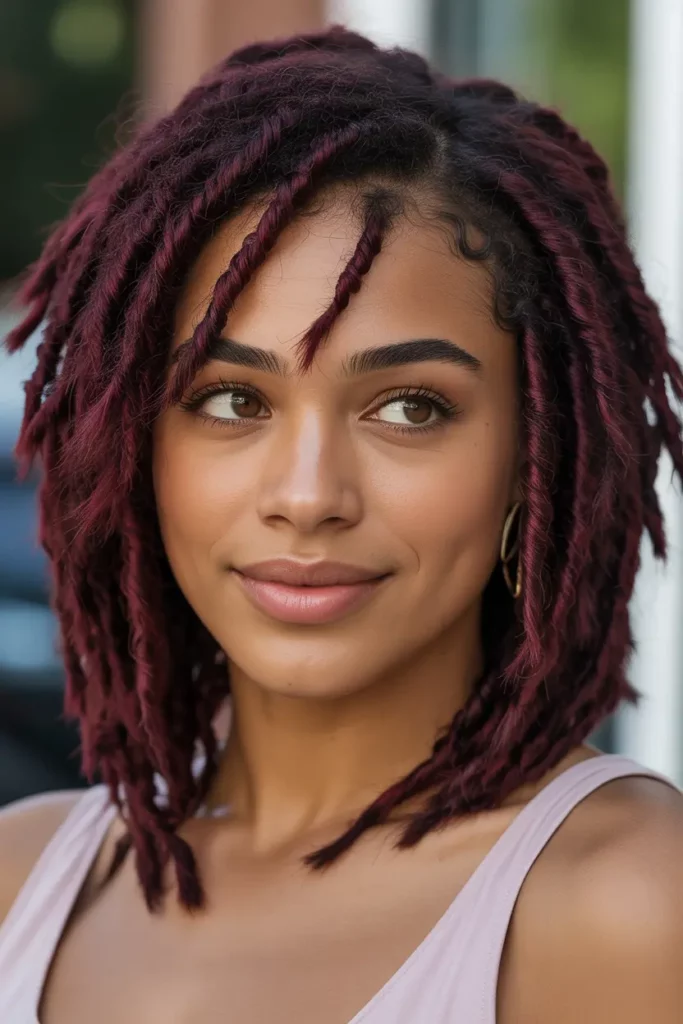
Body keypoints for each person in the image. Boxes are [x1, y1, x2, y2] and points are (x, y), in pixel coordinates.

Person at [1, 24, 682, 1024]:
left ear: (531, 457)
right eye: (232, 400)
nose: (308, 492)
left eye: (409, 406)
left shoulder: (623, 903)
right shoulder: (23, 887)